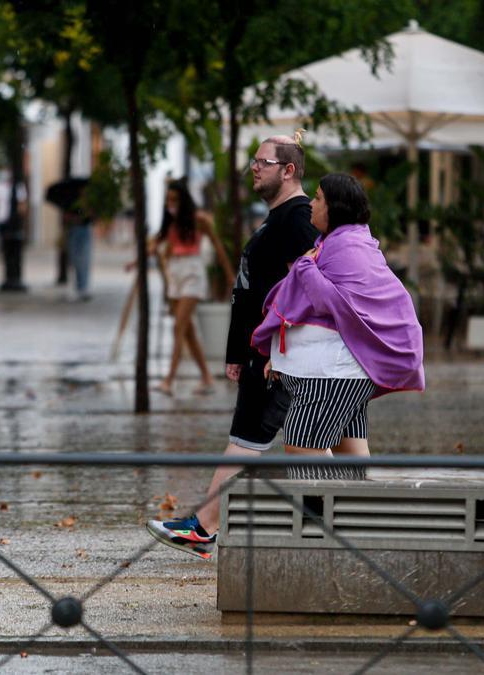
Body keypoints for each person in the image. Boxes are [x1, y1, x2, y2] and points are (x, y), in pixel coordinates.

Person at [145, 132, 318, 560]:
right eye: (254, 161)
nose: (254, 168)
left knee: (247, 439)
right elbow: (249, 289)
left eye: (264, 162)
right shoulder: (277, 218)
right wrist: (235, 352)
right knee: (315, 441)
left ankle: (203, 527)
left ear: (289, 170)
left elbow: (309, 290)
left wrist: (275, 347)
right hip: (264, 351)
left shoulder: (298, 221)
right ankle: (338, 519)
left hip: (276, 354)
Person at [251, 173, 424, 469]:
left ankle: (330, 513)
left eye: (318, 198)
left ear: (335, 207)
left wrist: (304, 265)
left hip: (334, 374)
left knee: (301, 445)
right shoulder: (336, 243)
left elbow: (330, 302)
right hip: (343, 372)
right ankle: (356, 513)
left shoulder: (347, 249)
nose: (311, 205)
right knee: (350, 454)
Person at [152, 180, 234, 396]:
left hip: (192, 274)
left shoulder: (199, 220)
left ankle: (169, 380)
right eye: (168, 200)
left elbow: (217, 246)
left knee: (178, 326)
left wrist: (229, 275)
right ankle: (207, 377)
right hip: (174, 276)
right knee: (187, 331)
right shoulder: (169, 223)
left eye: (175, 200)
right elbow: (155, 244)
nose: (171, 204)